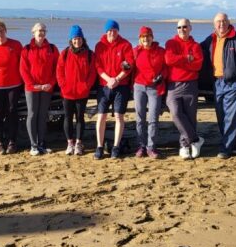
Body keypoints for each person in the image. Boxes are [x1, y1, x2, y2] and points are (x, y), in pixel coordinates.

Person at [199, 13, 236, 159]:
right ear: (214, 24)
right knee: (221, 117)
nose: (221, 24)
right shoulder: (211, 39)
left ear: (228, 22)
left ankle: (225, 149)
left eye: (224, 21)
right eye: (218, 22)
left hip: (234, 83)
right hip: (217, 83)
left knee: (231, 117)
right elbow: (196, 49)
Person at [94, 19, 134, 160]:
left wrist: (117, 79)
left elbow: (128, 65)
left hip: (121, 85)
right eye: (109, 30)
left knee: (119, 116)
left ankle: (116, 147)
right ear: (106, 32)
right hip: (104, 85)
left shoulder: (125, 45)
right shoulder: (100, 46)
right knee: (102, 116)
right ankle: (99, 146)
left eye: (114, 30)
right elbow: (98, 66)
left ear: (118, 31)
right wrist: (108, 79)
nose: (112, 33)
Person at [164, 19, 204, 159]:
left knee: (190, 117)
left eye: (185, 27)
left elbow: (197, 66)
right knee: (175, 113)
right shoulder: (171, 43)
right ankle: (196, 140)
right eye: (179, 27)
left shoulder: (196, 46)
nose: (182, 29)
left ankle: (185, 145)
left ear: (190, 28)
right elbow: (169, 60)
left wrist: (180, 61)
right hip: (173, 85)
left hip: (190, 85)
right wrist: (187, 58)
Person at [56, 25, 97, 156]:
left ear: (82, 39)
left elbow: (92, 73)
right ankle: (70, 143)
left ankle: (79, 143)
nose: (77, 41)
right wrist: (64, 85)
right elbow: (59, 71)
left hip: (82, 93)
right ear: (71, 40)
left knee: (80, 118)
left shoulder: (89, 54)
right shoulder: (65, 53)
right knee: (68, 118)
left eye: (79, 38)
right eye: (74, 38)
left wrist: (86, 86)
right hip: (67, 92)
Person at [20, 22, 59, 156]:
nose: (41, 33)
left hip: (47, 87)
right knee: (32, 114)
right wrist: (32, 85)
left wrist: (51, 83)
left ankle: (42, 143)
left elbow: (57, 69)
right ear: (33, 32)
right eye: (39, 30)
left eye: (43, 30)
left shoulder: (52, 49)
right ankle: (33, 145)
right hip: (32, 88)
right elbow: (23, 70)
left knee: (43, 115)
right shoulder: (26, 49)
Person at [0, 19, 24, 155]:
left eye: (1, 31)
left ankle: (12, 141)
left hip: (14, 84)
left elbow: (22, 63)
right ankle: (0, 142)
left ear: (5, 30)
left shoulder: (15, 45)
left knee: (12, 112)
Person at [132, 26, 167, 159]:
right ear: (140, 39)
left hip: (154, 88)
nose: (146, 39)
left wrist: (161, 76)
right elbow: (128, 66)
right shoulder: (136, 51)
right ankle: (141, 146)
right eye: (143, 37)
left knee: (153, 118)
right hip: (139, 86)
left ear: (152, 37)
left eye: (148, 36)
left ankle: (151, 147)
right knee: (140, 117)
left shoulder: (160, 51)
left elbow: (166, 68)